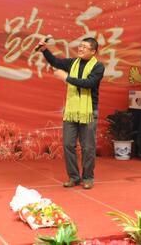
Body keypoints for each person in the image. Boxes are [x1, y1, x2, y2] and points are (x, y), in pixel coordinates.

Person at [38, 37, 104, 190]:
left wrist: (66, 78)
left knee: (88, 147)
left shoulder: (98, 67)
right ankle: (74, 177)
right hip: (71, 110)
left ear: (93, 51)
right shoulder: (73, 63)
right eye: (80, 46)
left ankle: (88, 177)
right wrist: (44, 50)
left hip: (88, 111)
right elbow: (56, 62)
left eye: (84, 47)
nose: (80, 49)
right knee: (68, 144)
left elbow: (89, 83)